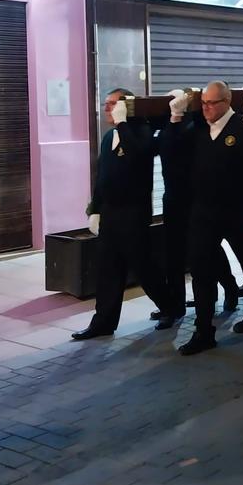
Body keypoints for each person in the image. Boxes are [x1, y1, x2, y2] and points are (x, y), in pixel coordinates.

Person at [164, 83, 243, 356]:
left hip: (239, 211)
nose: (206, 107)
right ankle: (203, 331)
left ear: (227, 101)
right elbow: (171, 149)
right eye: (203, 103)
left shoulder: (242, 126)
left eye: (212, 102)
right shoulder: (199, 129)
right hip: (204, 212)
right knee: (201, 272)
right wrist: (176, 119)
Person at [73, 89, 166, 340]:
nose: (107, 109)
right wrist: (95, 209)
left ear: (127, 107)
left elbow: (138, 155)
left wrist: (125, 123)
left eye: (113, 104)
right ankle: (103, 322)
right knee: (108, 270)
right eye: (106, 104)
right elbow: (101, 177)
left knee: (143, 267)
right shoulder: (108, 137)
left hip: (133, 214)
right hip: (111, 214)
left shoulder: (141, 133)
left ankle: (169, 306)